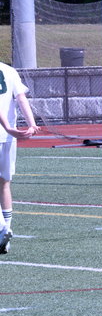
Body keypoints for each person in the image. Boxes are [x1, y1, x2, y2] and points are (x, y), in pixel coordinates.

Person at [0, 62, 40, 254]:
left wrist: (7, 127)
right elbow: (21, 98)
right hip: (9, 137)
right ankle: (5, 235)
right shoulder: (9, 70)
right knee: (4, 184)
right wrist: (32, 124)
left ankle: (2, 229)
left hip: (7, 131)